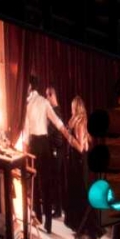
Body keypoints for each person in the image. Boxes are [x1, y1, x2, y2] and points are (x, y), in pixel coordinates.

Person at [23, 75, 75, 235]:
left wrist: (24, 152)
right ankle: (48, 225)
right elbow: (58, 123)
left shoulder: (27, 105)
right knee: (45, 184)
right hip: (44, 144)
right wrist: (70, 138)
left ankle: (38, 216)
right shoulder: (44, 102)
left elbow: (25, 132)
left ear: (30, 87)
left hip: (33, 144)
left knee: (35, 181)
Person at [62, 95, 102, 239]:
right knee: (79, 195)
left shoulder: (80, 122)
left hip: (80, 163)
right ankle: (81, 228)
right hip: (78, 163)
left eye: (72, 106)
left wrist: (68, 137)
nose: (71, 109)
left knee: (82, 195)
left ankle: (86, 230)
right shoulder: (78, 121)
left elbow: (80, 147)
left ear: (76, 107)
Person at [45, 87, 67, 219]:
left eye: (47, 96)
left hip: (56, 151)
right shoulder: (55, 110)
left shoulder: (55, 112)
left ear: (52, 95)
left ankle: (57, 210)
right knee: (55, 180)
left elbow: (51, 132)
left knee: (56, 180)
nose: (46, 98)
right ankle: (57, 207)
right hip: (56, 150)